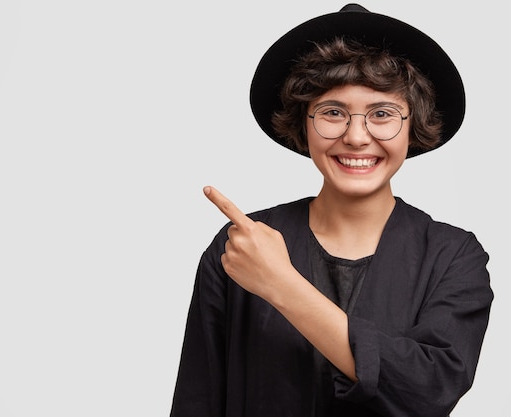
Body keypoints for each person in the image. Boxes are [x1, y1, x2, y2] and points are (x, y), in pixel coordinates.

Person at [169, 4, 493, 417]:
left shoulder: (453, 255)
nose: (356, 137)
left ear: (414, 124)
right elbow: (198, 399)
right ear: (303, 123)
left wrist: (282, 285)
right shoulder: (243, 244)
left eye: (382, 114)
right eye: (333, 113)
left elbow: (430, 390)